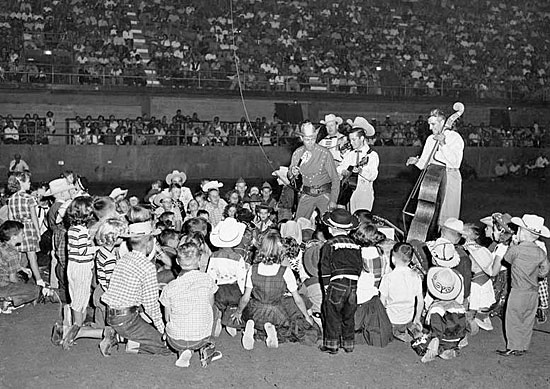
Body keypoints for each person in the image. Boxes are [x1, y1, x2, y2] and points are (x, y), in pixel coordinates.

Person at [231, 231, 314, 350]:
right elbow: (298, 299)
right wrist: (306, 316)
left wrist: (239, 312)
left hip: (255, 309)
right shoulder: (285, 271)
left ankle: (252, 327)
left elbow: (245, 298)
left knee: (248, 312)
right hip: (276, 310)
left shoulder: (253, 269)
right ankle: (269, 329)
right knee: (288, 323)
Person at [100, 221, 171, 356]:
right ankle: (131, 343)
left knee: (145, 326)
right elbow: (151, 306)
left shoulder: (123, 259)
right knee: (167, 346)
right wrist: (163, 330)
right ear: (149, 243)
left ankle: (117, 334)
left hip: (111, 314)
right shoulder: (147, 267)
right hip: (127, 319)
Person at [160, 242, 222, 367]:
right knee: (214, 310)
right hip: (200, 338)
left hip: (176, 340)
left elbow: (167, 318)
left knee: (176, 315)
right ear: (199, 260)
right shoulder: (207, 279)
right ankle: (208, 346)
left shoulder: (170, 287)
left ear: (177, 262)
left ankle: (184, 350)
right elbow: (210, 305)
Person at [497, 214, 550, 356]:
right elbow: (545, 270)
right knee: (527, 319)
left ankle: (513, 346)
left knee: (513, 318)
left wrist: (514, 245)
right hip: (533, 292)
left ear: (523, 233)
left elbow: (507, 260)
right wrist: (537, 275)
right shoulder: (540, 252)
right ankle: (523, 346)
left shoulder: (516, 250)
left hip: (518, 291)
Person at [406, 108, 464, 225]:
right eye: (429, 124)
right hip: (433, 176)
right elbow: (424, 164)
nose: (430, 128)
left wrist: (443, 144)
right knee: (428, 211)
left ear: (442, 123)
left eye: (433, 124)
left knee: (448, 214)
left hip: (450, 175)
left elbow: (456, 163)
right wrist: (416, 161)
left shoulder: (454, 137)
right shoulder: (430, 139)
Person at [319, 209, 362, 354]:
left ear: (331, 229)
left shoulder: (329, 244)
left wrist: (326, 287)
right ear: (349, 230)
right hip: (353, 283)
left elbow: (325, 267)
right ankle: (348, 343)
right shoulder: (356, 245)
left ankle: (332, 345)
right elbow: (359, 265)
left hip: (337, 282)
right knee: (348, 314)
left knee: (332, 314)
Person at [288, 122, 340, 220]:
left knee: (330, 224)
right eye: (307, 139)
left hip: (324, 194)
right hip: (307, 194)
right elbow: (290, 175)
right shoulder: (297, 153)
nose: (311, 142)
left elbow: (335, 179)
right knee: (298, 224)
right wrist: (292, 173)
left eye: (313, 139)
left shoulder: (325, 153)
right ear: (301, 138)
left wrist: (333, 200)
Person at [421, 267, 467, 363]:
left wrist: (433, 344)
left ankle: (440, 350)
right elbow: (463, 324)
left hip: (443, 339)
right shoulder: (459, 306)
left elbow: (437, 330)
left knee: (423, 338)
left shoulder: (436, 309)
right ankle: (453, 348)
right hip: (457, 337)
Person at [379, 242, 423, 343]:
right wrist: (417, 319)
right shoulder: (416, 276)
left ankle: (396, 332)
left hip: (392, 319)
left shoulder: (388, 278)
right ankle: (411, 329)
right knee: (409, 324)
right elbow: (420, 301)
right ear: (410, 259)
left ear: (393, 259)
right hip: (409, 317)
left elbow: (382, 302)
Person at [7, 172, 44, 289]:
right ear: (21, 183)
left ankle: (15, 281)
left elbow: (10, 218)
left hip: (16, 230)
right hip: (28, 229)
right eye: (28, 181)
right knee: (32, 257)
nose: (30, 183)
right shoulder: (29, 198)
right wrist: (38, 232)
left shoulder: (11, 199)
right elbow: (34, 217)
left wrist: (13, 233)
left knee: (16, 257)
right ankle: (39, 281)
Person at [337, 117, 379, 212]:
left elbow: (373, 175)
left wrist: (361, 171)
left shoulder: (372, 155)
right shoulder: (350, 154)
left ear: (362, 138)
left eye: (354, 140)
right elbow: (340, 167)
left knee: (362, 218)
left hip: (364, 193)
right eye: (350, 140)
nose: (351, 143)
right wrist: (343, 171)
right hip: (349, 192)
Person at [0, 221, 40, 313]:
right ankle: (8, 300)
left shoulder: (2, 245)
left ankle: (7, 299)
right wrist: (23, 286)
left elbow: (4, 264)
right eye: (22, 234)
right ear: (14, 237)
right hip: (3, 286)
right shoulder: (12, 253)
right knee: (35, 290)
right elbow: (13, 279)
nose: (24, 236)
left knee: (24, 275)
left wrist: (21, 268)